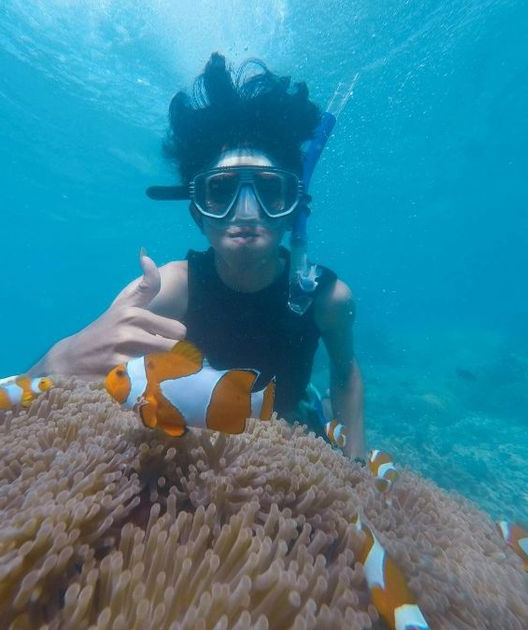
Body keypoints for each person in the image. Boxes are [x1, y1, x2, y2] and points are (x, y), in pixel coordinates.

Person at [29, 53, 365, 458]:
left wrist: (357, 464)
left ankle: (311, 404)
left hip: (291, 423)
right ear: (197, 213)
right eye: (221, 192)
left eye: (270, 191)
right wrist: (56, 361)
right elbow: (96, 369)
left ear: (293, 208)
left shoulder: (328, 298)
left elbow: (345, 375)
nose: (246, 212)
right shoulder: (169, 289)